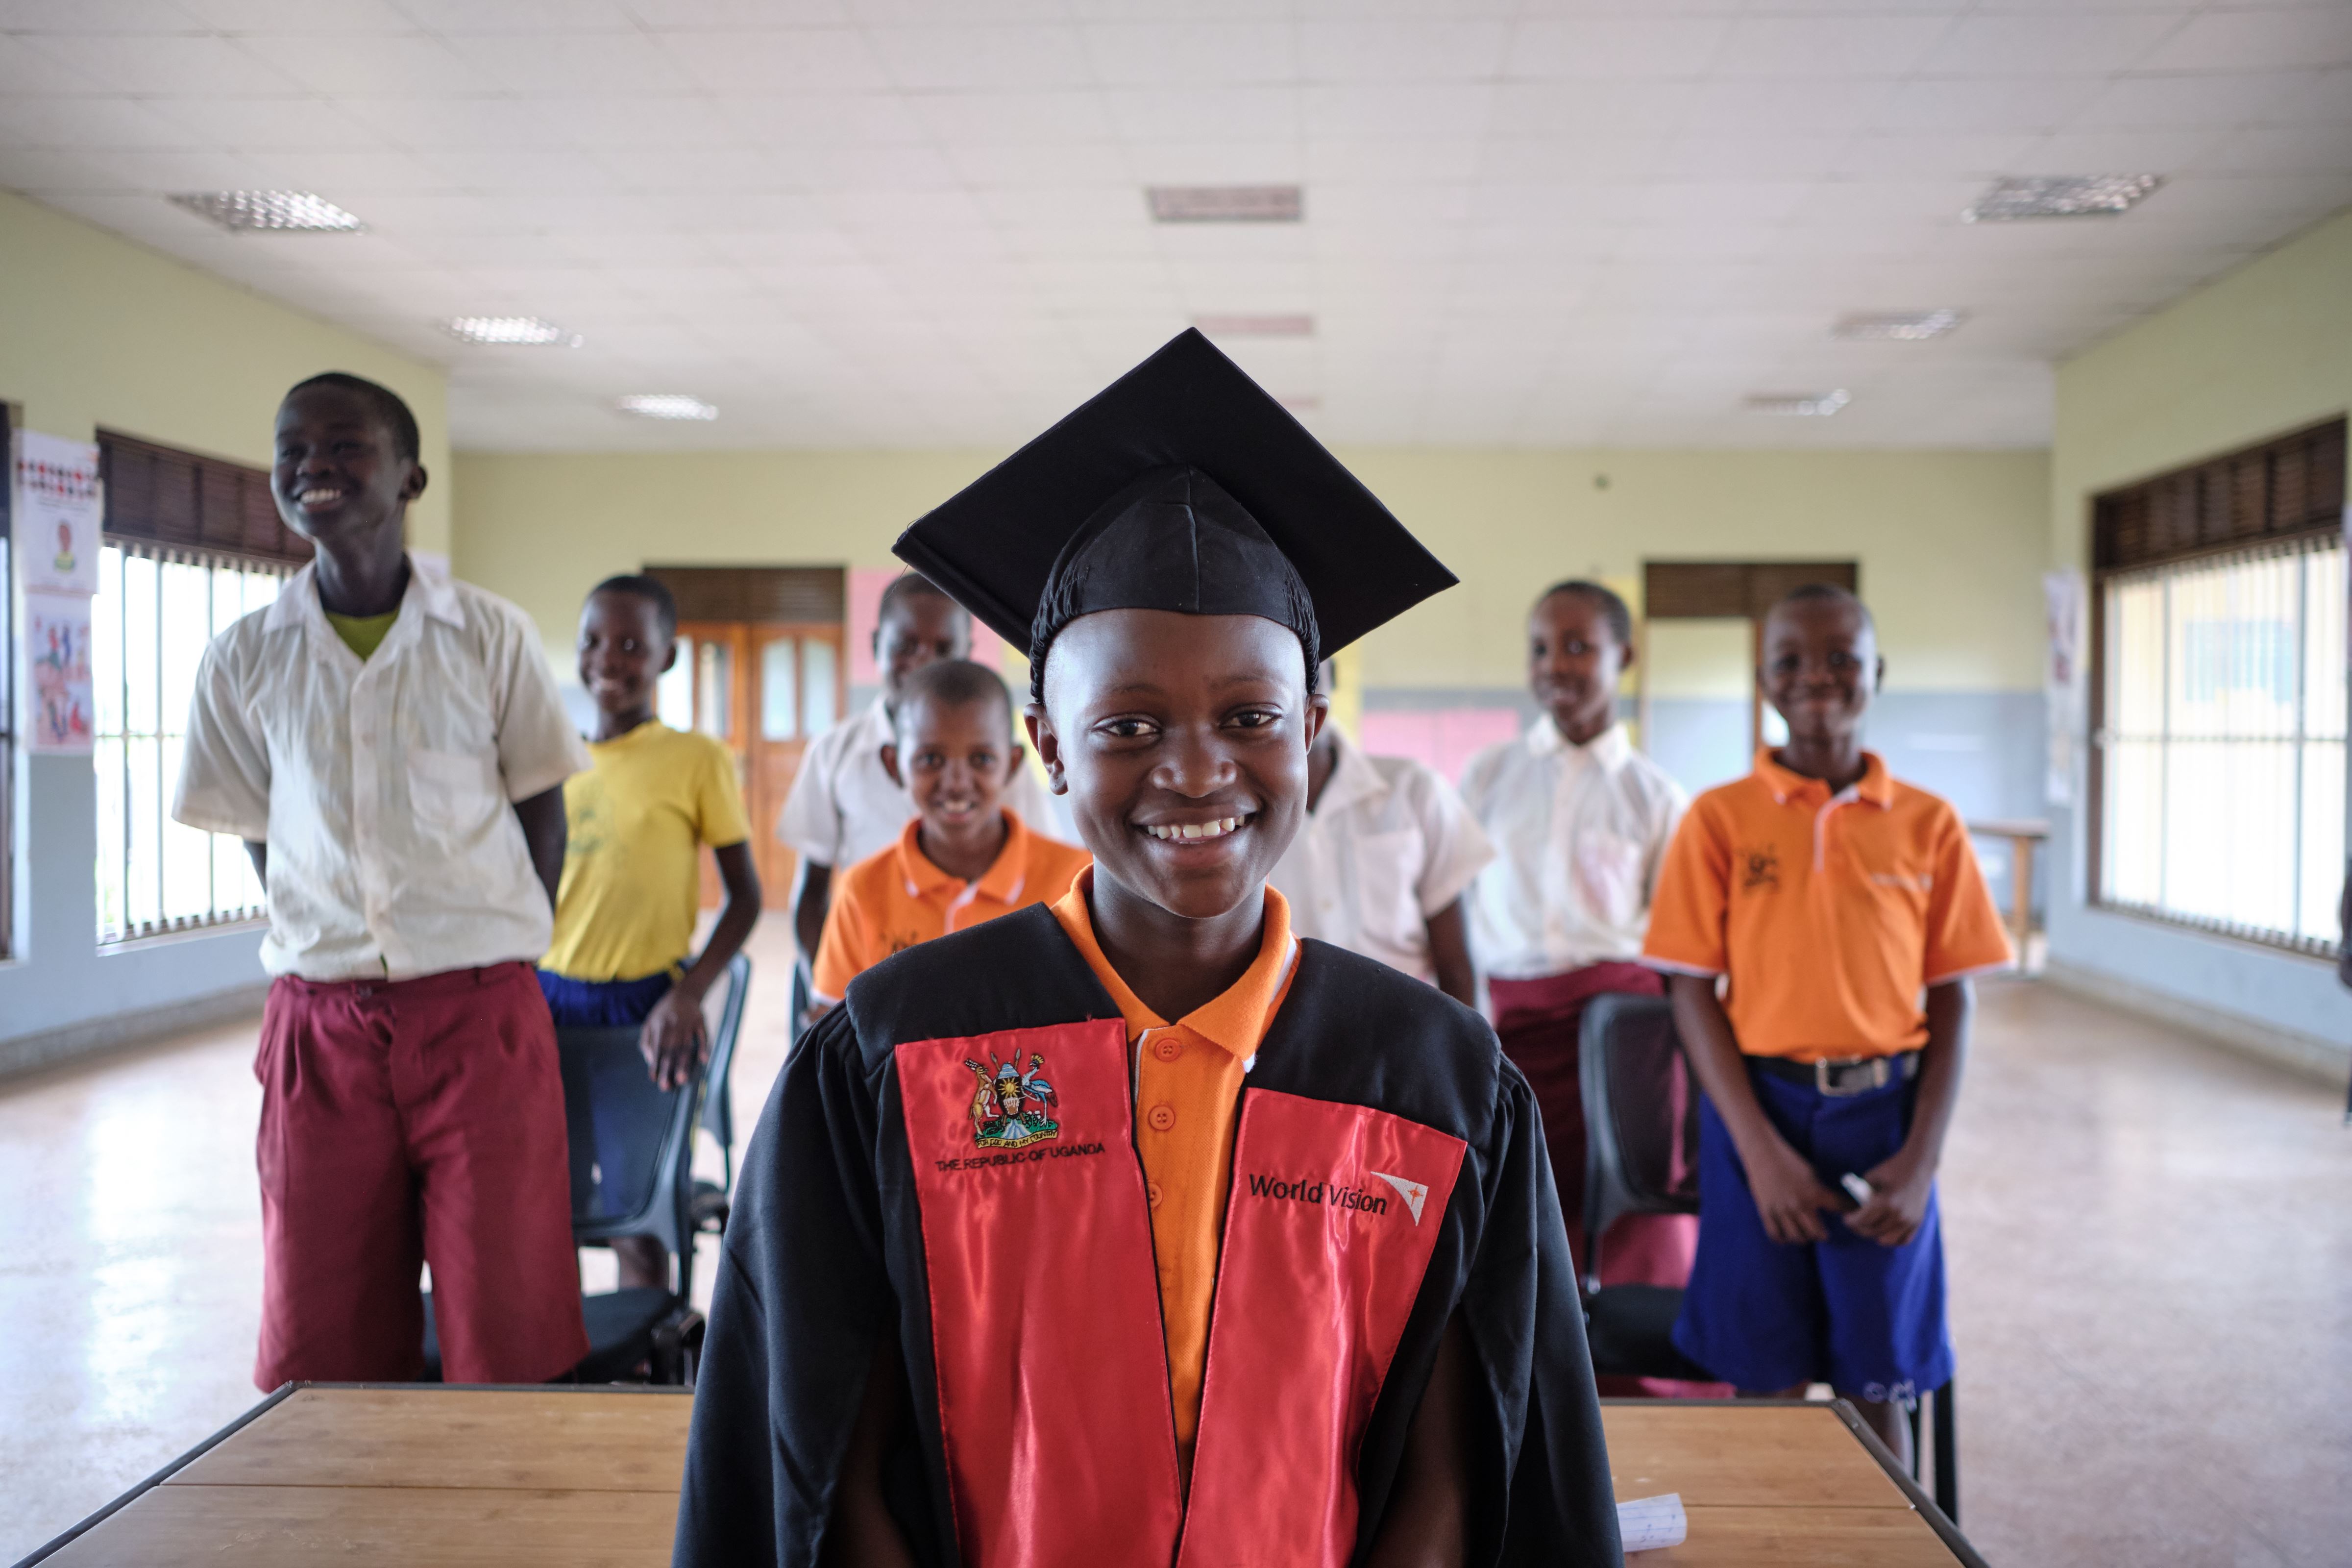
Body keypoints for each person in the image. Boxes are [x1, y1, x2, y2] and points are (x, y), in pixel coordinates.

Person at [674, 330, 1621, 1566]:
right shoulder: (896, 1056)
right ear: (1049, 747)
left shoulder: (1432, 1083)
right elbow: (823, 1462)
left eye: (1249, 718)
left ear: (1313, 731)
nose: (1193, 768)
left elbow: (1458, 1474)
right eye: (1126, 722)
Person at [172, 372, 590, 1388]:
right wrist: (334, 936)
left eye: (345, 444)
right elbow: (263, 834)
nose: (313, 463)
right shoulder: (243, 658)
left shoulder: (488, 638)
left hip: (481, 1020)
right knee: (326, 1330)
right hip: (321, 1032)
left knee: (508, 1322)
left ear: (410, 476)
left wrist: (495, 945)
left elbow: (543, 810)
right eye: (293, 448)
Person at [1642, 583, 2012, 1465]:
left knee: (1876, 1379)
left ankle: (1880, 1548)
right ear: (1765, 682)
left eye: (1842, 657)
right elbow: (1690, 990)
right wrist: (1761, 1157)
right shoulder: (1720, 819)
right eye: (1792, 662)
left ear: (1876, 672)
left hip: (1886, 1117)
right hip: (1757, 1113)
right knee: (1762, 1376)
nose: (1818, 677)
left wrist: (1922, 1162)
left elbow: (1954, 995)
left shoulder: (1928, 823)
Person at [1458, 582, 1689, 1288]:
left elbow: (1677, 944)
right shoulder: (1487, 777)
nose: (1555, 665)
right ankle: (1529, 1370)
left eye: (1579, 646)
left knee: (1628, 1199)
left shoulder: (1656, 797)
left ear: (1626, 655)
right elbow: (1456, 911)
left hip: (1623, 1033)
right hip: (1512, 1027)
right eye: (1541, 648)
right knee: (1515, 1201)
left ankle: (1633, 1375)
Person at [537, 573, 764, 1289]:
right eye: (595, 642)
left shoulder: (695, 759)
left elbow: (746, 899)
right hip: (546, 1005)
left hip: (646, 1011)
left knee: (640, 1211)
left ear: (667, 657)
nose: (611, 658)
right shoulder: (548, 761)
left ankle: (643, 1364)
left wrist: (689, 994)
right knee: (550, 1210)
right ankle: (564, 1373)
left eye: (633, 645)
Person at [777, 572, 1064, 983]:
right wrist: (823, 982)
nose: (924, 662)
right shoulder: (833, 753)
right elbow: (812, 889)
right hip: (873, 967)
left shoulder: (1001, 764)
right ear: (877, 647)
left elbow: (1044, 879)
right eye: (905, 646)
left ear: (968, 651)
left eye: (944, 648)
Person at [809, 658, 1090, 1008]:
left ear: (1013, 765)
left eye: (982, 759)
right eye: (931, 760)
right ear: (895, 766)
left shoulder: (1077, 881)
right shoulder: (863, 892)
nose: (956, 784)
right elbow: (830, 1025)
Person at [1266, 659, 1492, 1007]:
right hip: (1282, 1033)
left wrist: (1463, 1058)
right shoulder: (1235, 816)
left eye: (1311, 669)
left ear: (1334, 677)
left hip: (1407, 1027)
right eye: (1278, 670)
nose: (1297, 693)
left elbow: (1458, 967)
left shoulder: (1414, 790)